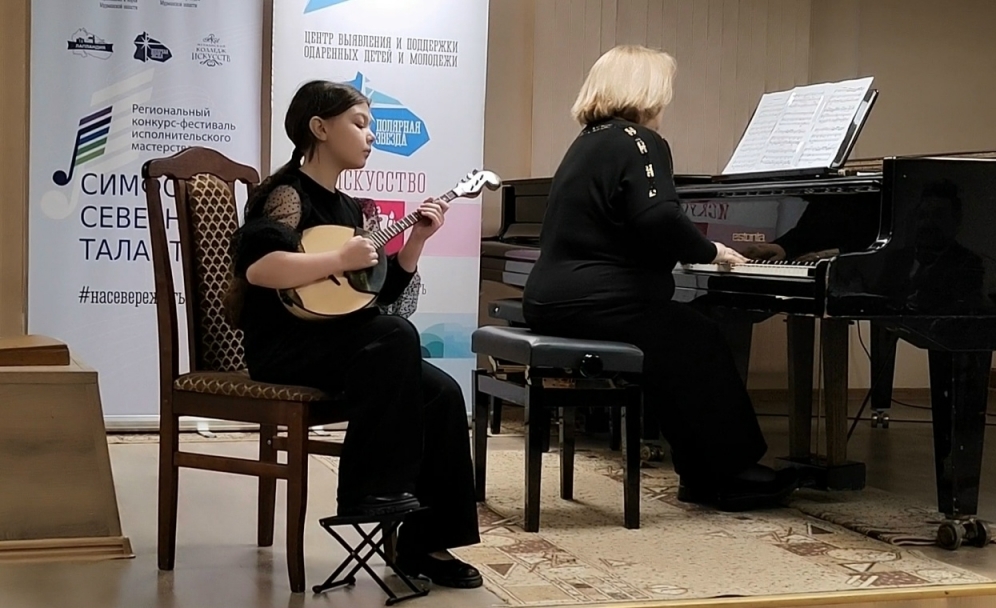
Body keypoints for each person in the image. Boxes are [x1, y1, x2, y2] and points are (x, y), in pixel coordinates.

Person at [225, 80, 482, 588]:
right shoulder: (285, 196)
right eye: (359, 123)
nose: (370, 136)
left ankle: (424, 545)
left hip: (347, 348)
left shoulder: (353, 210)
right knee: (395, 337)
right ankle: (369, 491)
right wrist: (338, 258)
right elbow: (260, 268)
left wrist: (415, 242)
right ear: (320, 128)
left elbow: (379, 299)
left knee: (442, 392)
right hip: (286, 348)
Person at [521, 45, 800, 512]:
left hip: (554, 298)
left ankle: (700, 475)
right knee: (699, 338)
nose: (666, 99)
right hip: (595, 301)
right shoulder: (639, 139)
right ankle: (729, 476)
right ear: (646, 91)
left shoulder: (590, 141)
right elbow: (657, 217)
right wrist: (711, 251)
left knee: (681, 337)